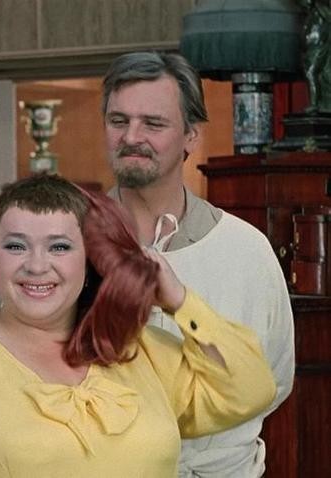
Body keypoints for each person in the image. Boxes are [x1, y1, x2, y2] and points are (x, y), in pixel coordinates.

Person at [0, 173, 276, 477]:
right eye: (16, 246)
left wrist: (178, 299)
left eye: (59, 247)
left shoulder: (138, 348)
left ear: (90, 259)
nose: (37, 266)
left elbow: (248, 390)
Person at [101, 51, 295, 476]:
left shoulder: (246, 250)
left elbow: (273, 380)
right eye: (118, 121)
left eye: (153, 123)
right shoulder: (64, 247)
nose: (132, 136)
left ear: (191, 135)